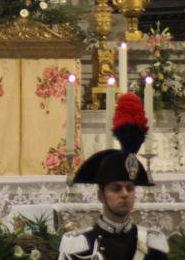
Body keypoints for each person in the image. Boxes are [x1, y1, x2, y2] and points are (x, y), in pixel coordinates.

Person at [59, 93, 169, 259]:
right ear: (100, 195)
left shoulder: (152, 243)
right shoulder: (80, 245)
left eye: (130, 188)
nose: (125, 194)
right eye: (116, 188)